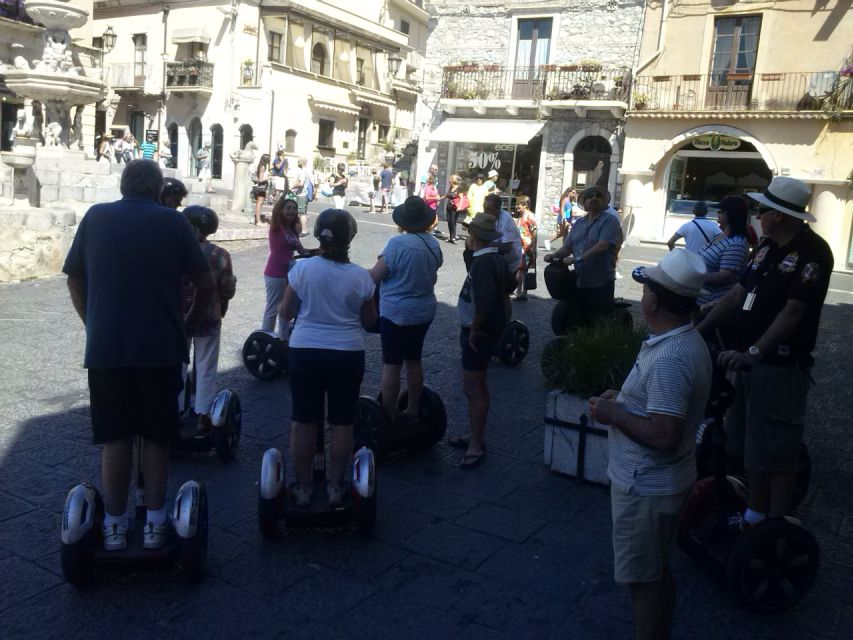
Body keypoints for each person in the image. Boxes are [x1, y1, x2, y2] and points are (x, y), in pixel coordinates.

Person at [62, 159, 215, 551]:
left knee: (116, 435)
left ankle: (114, 522)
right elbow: (205, 280)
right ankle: (156, 520)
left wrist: (90, 321)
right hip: (161, 346)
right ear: (157, 189)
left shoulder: (96, 218)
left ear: (123, 185)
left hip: (107, 346)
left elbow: (75, 278)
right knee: (156, 435)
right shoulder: (173, 223)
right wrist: (187, 322)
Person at [696, 176, 833, 525]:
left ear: (781, 216)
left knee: (778, 447)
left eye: (764, 209)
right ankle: (752, 510)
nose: (758, 214)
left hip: (779, 366)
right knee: (747, 442)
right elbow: (736, 294)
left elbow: (793, 312)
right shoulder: (766, 248)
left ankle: (772, 522)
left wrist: (755, 352)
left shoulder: (813, 253)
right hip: (746, 364)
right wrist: (699, 330)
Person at [590, 248, 712, 640]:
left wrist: (615, 414)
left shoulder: (671, 357)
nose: (641, 296)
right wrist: (624, 400)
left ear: (655, 301)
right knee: (657, 573)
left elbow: (664, 434)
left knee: (643, 583)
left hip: (646, 486)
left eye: (645, 291)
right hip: (661, 482)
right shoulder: (679, 339)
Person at [280, 209, 377, 506]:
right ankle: (336, 486)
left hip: (305, 350)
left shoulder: (302, 270)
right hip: (346, 353)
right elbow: (370, 321)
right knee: (342, 421)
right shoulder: (361, 277)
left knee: (303, 420)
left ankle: (305, 487)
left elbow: (285, 312)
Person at [369, 197, 443, 425]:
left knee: (392, 364)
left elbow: (375, 276)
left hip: (396, 312)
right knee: (414, 359)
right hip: (423, 310)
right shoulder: (433, 244)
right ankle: (412, 409)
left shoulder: (397, 244)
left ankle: (389, 415)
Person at [451, 213, 513, 469]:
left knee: (472, 387)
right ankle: (475, 435)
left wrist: (475, 329)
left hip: (480, 332)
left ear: (474, 237)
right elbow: (510, 283)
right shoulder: (495, 258)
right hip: (489, 328)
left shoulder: (484, 264)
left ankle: (476, 444)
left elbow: (484, 303)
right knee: (480, 385)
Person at [182, 206, 237, 434]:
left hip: (178, 317)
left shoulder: (174, 250)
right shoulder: (220, 255)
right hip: (208, 316)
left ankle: (174, 412)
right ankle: (203, 415)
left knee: (177, 365)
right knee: (205, 366)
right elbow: (227, 288)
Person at [543, 186, 622, 325]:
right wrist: (553, 255)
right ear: (584, 203)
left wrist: (577, 258)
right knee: (579, 316)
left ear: (603, 201)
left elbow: (603, 245)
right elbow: (568, 247)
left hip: (601, 280)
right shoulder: (579, 223)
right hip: (580, 278)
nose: (594, 198)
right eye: (590, 196)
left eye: (598, 196)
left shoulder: (609, 221)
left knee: (598, 320)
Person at [262, 197, 309, 340]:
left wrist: (320, 252)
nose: (292, 211)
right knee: (273, 308)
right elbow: (271, 216)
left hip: (289, 273)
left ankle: (283, 339)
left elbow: (302, 251)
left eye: (294, 209)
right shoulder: (276, 227)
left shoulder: (293, 231)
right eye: (288, 208)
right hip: (275, 273)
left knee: (286, 308)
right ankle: (266, 338)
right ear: (281, 210)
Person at [696, 195, 751, 311]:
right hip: (700, 300)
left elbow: (724, 275)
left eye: (721, 211)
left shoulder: (737, 243)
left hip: (713, 305)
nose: (718, 213)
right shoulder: (720, 235)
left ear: (731, 214)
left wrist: (694, 275)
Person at [482, 193, 523, 272]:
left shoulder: (506, 220)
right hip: (496, 261)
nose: (485, 211)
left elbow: (506, 247)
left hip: (511, 264)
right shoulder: (487, 217)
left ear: (497, 209)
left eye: (488, 209)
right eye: (484, 207)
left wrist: (484, 244)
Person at [512, 195, 537, 301]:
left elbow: (534, 232)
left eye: (519, 204)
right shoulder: (522, 216)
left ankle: (521, 292)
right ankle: (521, 292)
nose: (517, 207)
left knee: (522, 270)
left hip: (526, 247)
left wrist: (534, 248)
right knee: (521, 270)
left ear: (525, 205)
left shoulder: (530, 216)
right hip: (520, 246)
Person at [291, 157, 313, 233]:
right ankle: (302, 229)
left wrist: (293, 186)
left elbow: (301, 184)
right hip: (304, 194)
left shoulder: (303, 172)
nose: (297, 163)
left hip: (302, 194)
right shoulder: (308, 172)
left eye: (298, 162)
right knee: (303, 212)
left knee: (301, 213)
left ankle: (304, 231)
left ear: (301, 163)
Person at [444, 174, 466, 244]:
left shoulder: (458, 188)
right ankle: (451, 237)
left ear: (454, 180)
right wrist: (440, 198)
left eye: (450, 179)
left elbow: (462, 198)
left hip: (455, 208)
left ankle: (453, 237)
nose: (449, 180)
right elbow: (447, 195)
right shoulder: (451, 187)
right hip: (449, 207)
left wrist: (459, 207)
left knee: (453, 222)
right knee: (449, 222)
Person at [253, 153, 270, 225]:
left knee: (259, 204)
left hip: (262, 187)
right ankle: (258, 221)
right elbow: (260, 179)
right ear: (266, 159)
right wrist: (268, 178)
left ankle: (258, 220)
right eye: (269, 159)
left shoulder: (261, 166)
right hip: (261, 187)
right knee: (259, 204)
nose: (269, 160)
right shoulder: (263, 167)